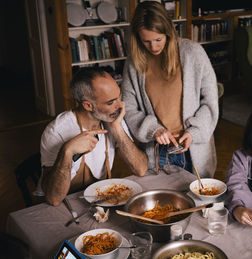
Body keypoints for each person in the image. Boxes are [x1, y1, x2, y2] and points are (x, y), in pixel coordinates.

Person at [122, 1, 219, 177]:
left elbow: (210, 102)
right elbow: (128, 109)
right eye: (146, 41)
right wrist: (154, 130)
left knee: (199, 201)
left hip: (194, 148)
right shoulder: (133, 64)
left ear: (168, 32)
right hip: (157, 151)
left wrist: (194, 132)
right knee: (161, 203)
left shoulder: (193, 53)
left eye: (158, 39)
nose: (153, 47)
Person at [40, 67, 148, 206]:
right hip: (65, 206)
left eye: (119, 97)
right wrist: (67, 152)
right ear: (88, 105)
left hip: (98, 202)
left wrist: (117, 128)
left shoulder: (111, 117)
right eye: (110, 102)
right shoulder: (56, 131)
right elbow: (53, 198)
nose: (120, 105)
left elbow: (140, 168)